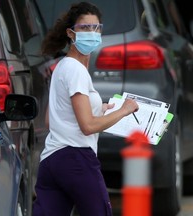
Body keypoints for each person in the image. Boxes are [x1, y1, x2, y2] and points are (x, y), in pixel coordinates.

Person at [32, 2, 139, 216]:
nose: (92, 33)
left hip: (52, 160)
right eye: (85, 28)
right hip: (77, 159)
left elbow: (50, 120)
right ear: (71, 33)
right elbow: (88, 126)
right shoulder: (76, 70)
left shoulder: (62, 66)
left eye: (96, 28)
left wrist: (102, 108)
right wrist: (124, 110)